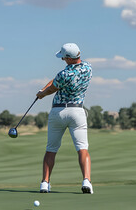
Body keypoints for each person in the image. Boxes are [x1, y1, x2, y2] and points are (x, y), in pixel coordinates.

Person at [36, 43, 93, 194]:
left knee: (51, 149)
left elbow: (52, 88)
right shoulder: (88, 68)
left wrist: (42, 93)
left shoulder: (64, 74)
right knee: (82, 149)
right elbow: (55, 81)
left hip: (58, 112)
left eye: (63, 58)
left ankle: (45, 183)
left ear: (68, 58)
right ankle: (86, 181)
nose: (62, 60)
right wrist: (43, 89)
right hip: (77, 112)